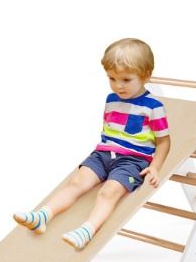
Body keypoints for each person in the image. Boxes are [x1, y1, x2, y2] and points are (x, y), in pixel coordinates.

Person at [13, 38, 170, 250]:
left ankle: (86, 231)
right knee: (76, 182)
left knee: (108, 192)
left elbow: (164, 141)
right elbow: (109, 132)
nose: (118, 85)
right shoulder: (111, 99)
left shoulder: (153, 106)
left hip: (133, 161)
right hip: (103, 154)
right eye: (112, 78)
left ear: (146, 75)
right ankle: (42, 216)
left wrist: (155, 167)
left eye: (126, 79)